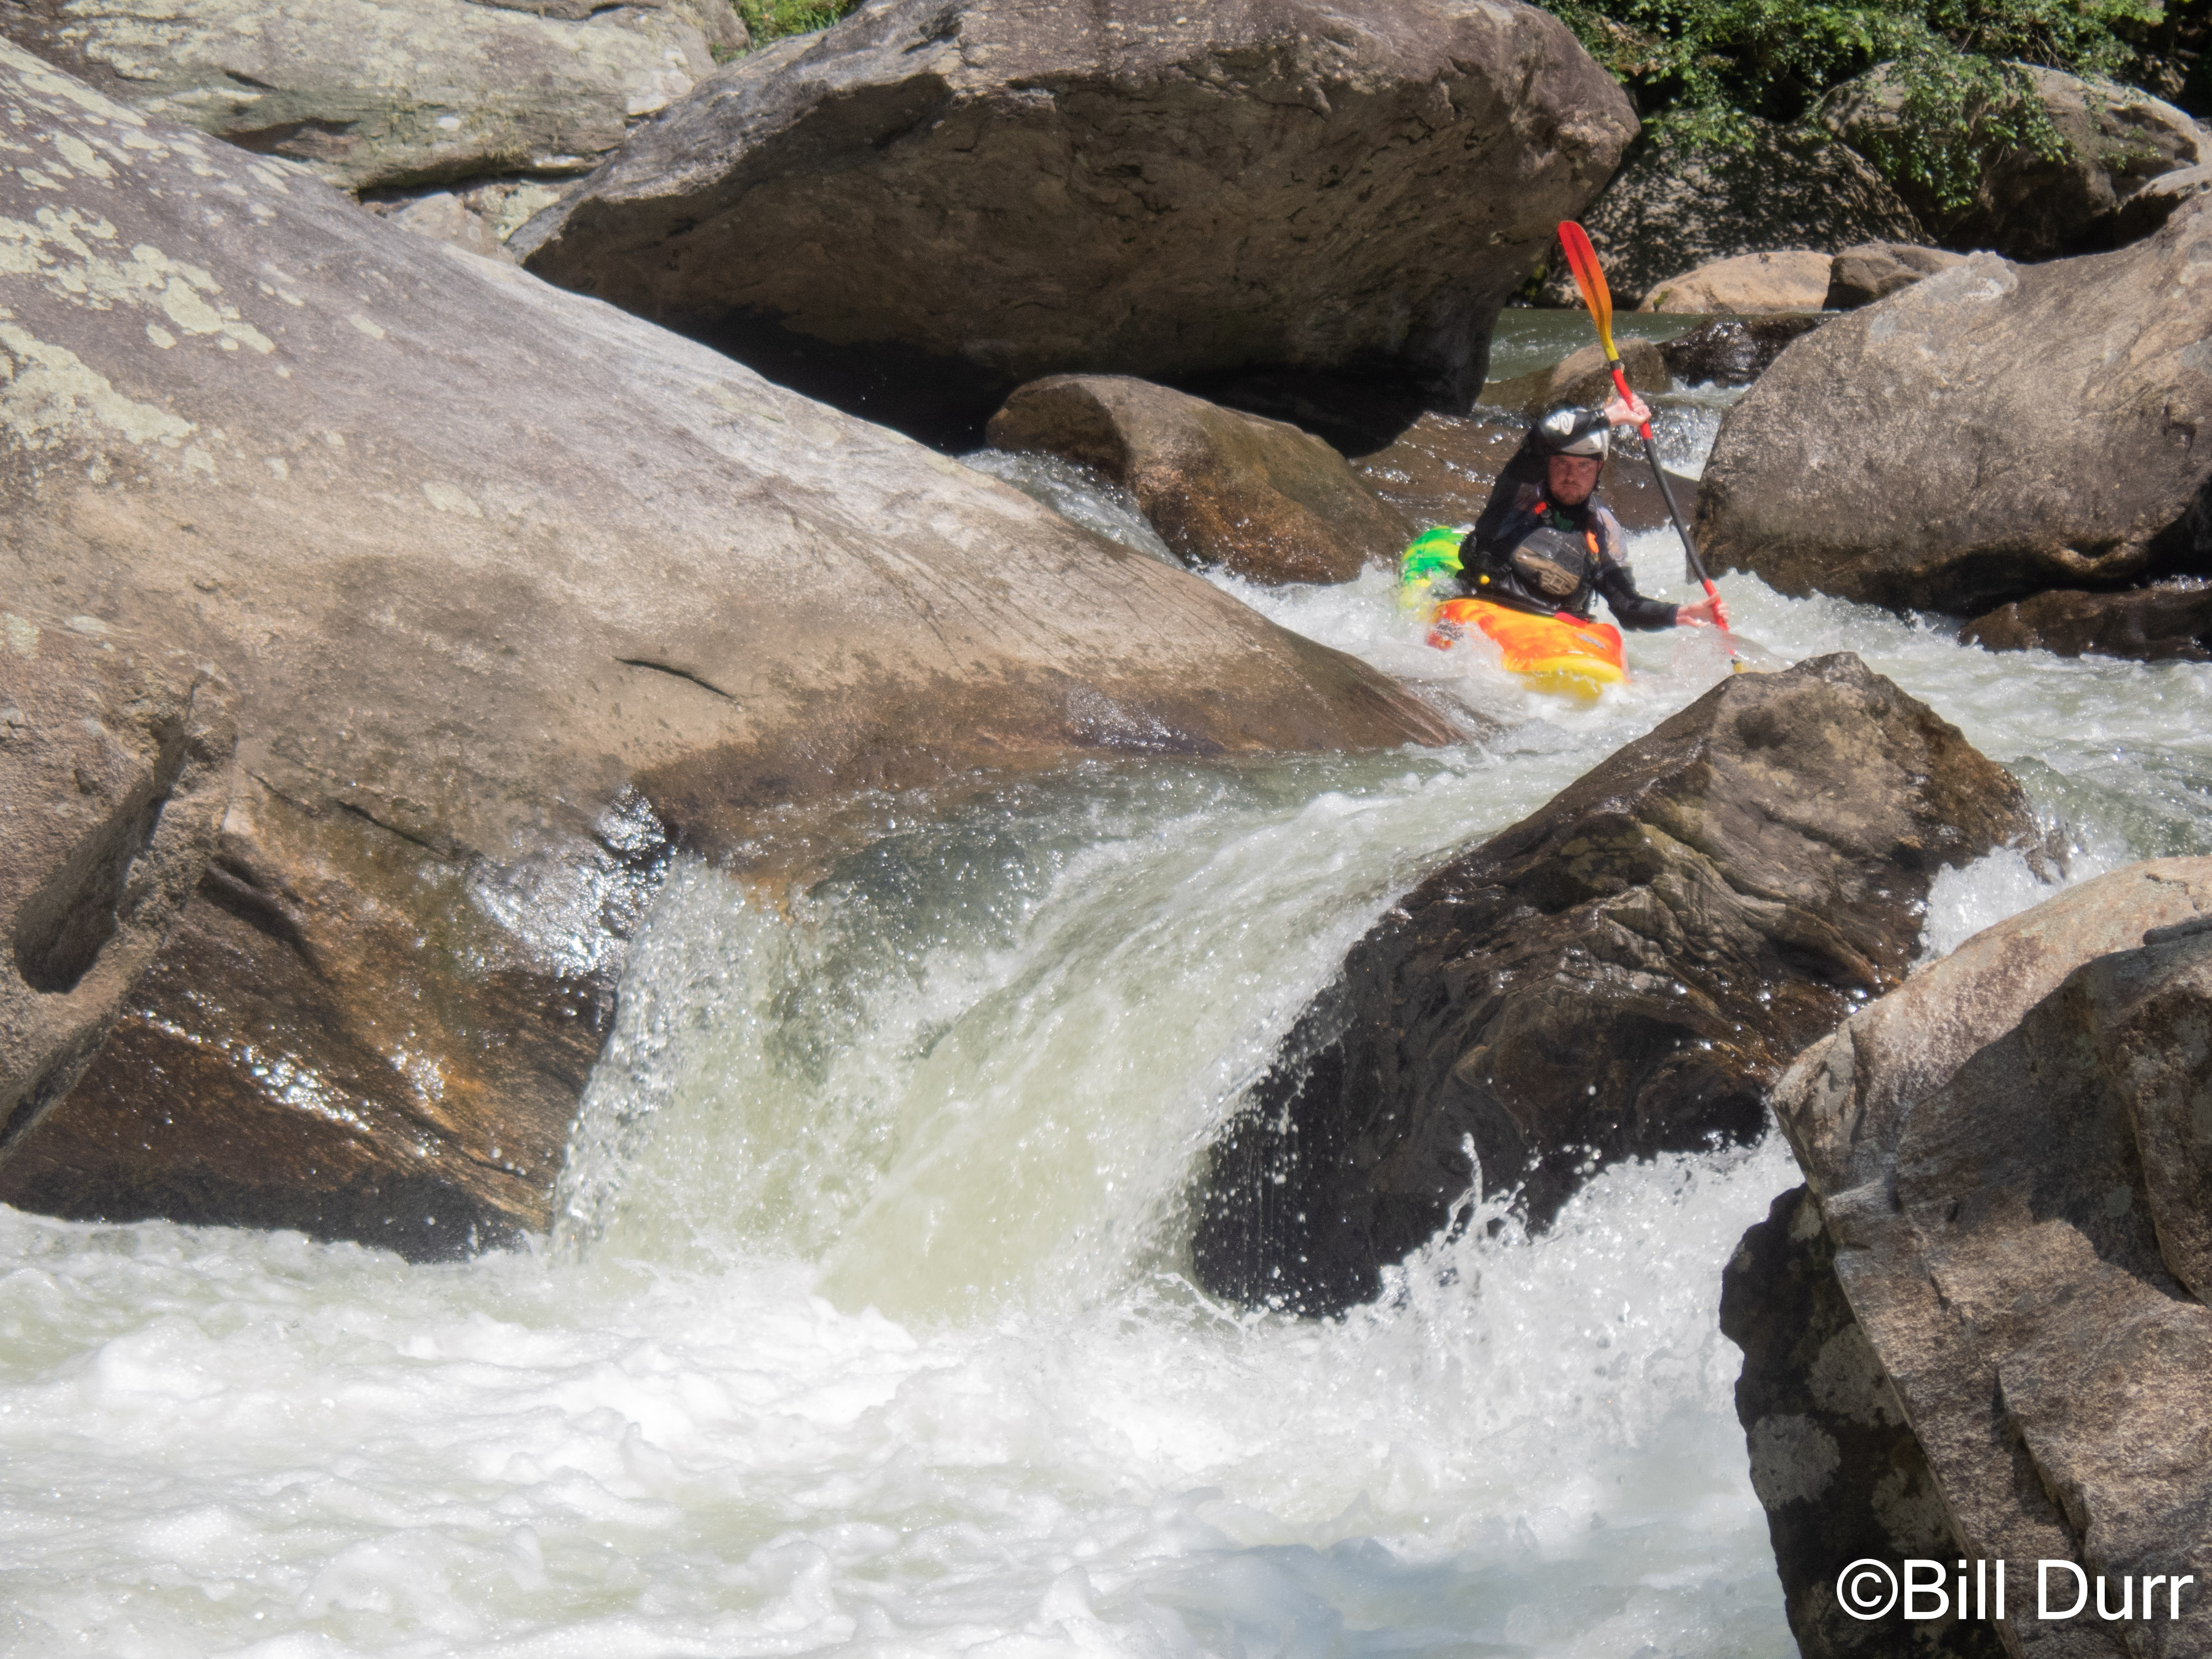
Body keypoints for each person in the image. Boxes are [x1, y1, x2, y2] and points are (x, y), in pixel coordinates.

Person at [1452, 393, 1729, 631]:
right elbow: (1541, 435)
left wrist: (1680, 614)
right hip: (1486, 607)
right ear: (1547, 463)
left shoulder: (1601, 528)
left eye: (1583, 466)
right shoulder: (1518, 495)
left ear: (1599, 468)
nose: (1571, 476)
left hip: (1552, 631)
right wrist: (1609, 417)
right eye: (1562, 463)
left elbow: (1626, 605)